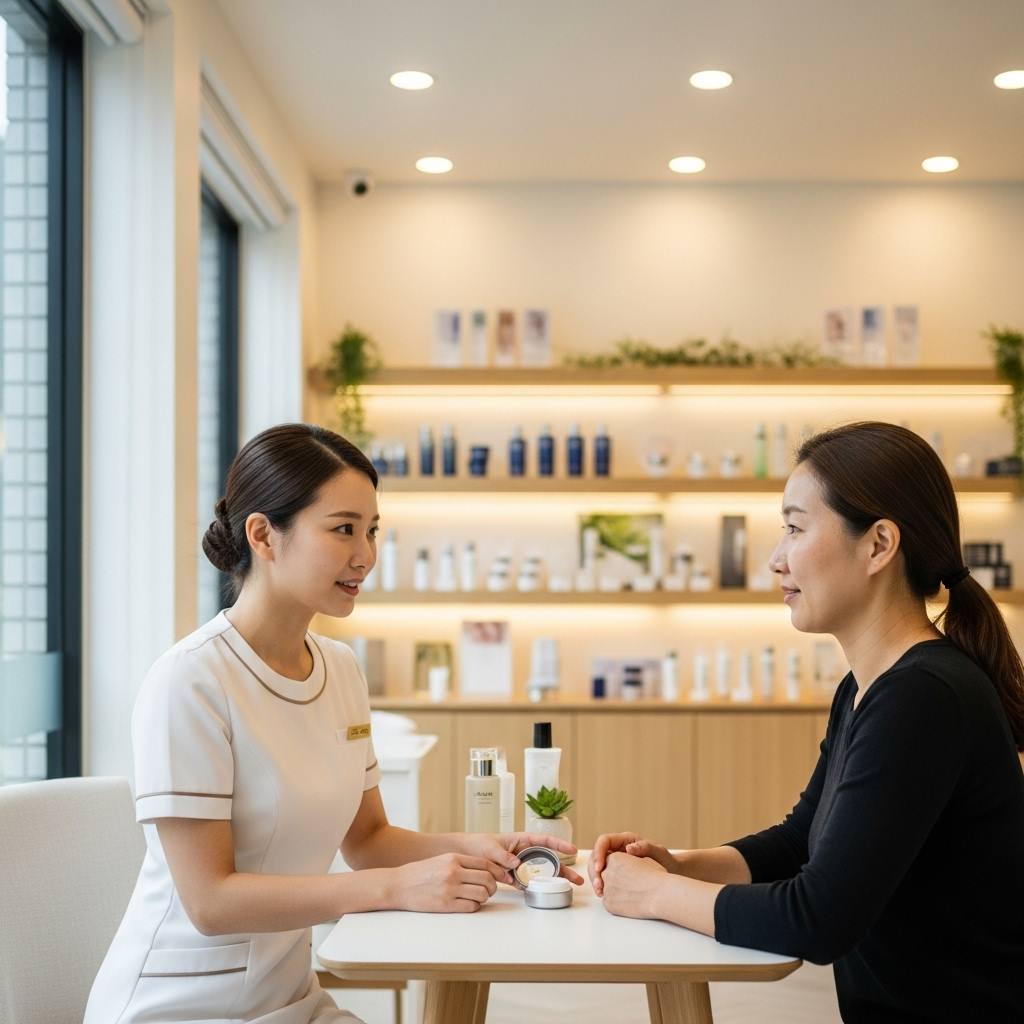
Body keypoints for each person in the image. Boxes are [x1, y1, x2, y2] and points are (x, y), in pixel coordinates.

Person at [85, 423, 581, 1024]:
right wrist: (397, 890)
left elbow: (369, 841)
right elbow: (210, 901)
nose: (365, 555)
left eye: (371, 531)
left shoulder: (340, 670)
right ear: (264, 535)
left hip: (291, 998)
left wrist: (482, 848)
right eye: (344, 528)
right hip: (180, 1006)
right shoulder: (191, 681)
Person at [589, 422, 1024, 1023]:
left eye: (795, 527)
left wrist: (658, 895)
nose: (775, 558)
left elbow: (818, 921)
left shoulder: (923, 697)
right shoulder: (869, 688)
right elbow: (800, 842)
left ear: (878, 545)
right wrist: (678, 864)